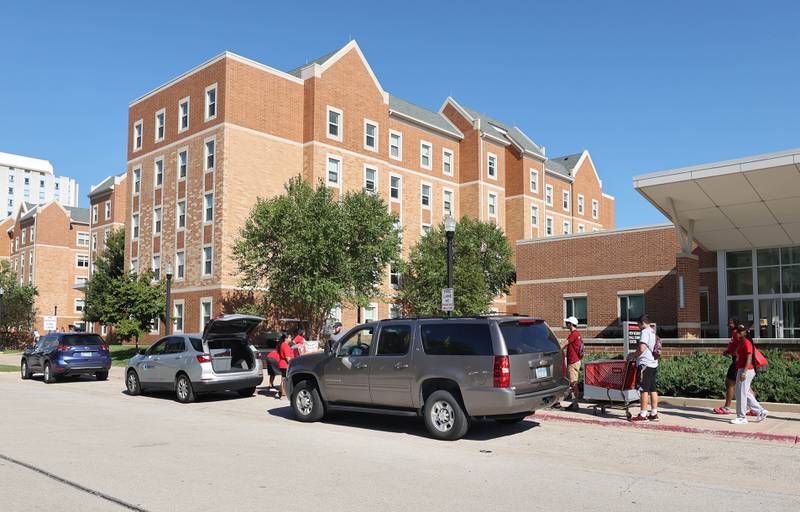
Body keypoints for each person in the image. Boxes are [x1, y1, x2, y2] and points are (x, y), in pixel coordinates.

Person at [730, 324, 767, 425]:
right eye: (737, 331)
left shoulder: (747, 343)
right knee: (744, 393)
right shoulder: (741, 342)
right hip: (742, 369)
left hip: (746, 370)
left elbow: (749, 359)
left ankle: (741, 417)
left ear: (745, 333)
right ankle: (760, 411)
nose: (738, 333)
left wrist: (744, 372)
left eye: (740, 331)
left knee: (740, 394)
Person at [629, 315, 659, 422]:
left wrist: (634, 355)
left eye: (638, 324)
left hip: (645, 364)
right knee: (653, 389)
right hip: (653, 363)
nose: (638, 327)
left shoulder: (645, 332)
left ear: (642, 323)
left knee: (643, 390)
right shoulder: (653, 331)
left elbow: (642, 348)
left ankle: (643, 414)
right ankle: (654, 413)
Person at [713, 317, 740, 415]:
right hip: (738, 360)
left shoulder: (737, 332)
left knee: (729, 383)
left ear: (736, 323)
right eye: (728, 323)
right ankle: (756, 409)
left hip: (737, 361)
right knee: (745, 386)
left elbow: (740, 344)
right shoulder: (735, 332)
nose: (729, 325)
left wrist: (736, 354)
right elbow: (734, 345)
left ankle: (727, 407)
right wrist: (728, 351)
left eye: (731, 323)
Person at [564, 316, 583, 411]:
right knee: (572, 383)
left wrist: (555, 349)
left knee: (573, 383)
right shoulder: (577, 334)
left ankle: (575, 405)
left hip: (573, 362)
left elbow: (564, 344)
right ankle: (574, 403)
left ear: (571, 324)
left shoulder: (574, 334)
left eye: (567, 323)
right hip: (575, 361)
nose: (566, 324)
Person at [276, 333, 295, 399]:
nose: (291, 338)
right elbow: (288, 357)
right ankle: (283, 394)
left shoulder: (284, 345)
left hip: (283, 364)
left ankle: (280, 392)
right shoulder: (285, 345)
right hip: (285, 364)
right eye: (289, 337)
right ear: (286, 339)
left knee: (284, 379)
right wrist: (292, 364)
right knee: (284, 379)